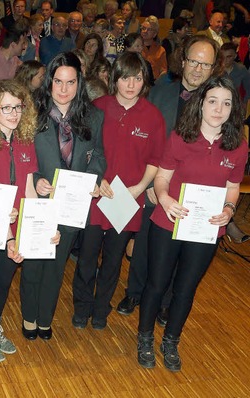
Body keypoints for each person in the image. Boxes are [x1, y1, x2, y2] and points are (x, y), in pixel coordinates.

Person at [136, 76, 246, 372]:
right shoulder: (181, 137)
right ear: (201, 103)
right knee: (157, 284)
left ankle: (171, 340)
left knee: (185, 289)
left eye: (226, 103)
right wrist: (164, 198)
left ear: (233, 108)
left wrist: (229, 208)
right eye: (212, 101)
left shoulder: (238, 146)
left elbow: (233, 186)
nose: (218, 109)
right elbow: (162, 178)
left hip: (207, 227)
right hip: (168, 222)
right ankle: (145, 337)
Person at [116, 35, 220, 322]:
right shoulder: (162, 89)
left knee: (182, 251)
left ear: (213, 69)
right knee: (145, 243)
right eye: (194, 61)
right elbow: (148, 141)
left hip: (194, 191)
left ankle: (167, 302)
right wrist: (151, 184)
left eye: (206, 64)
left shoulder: (217, 100)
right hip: (155, 183)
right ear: (183, 60)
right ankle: (135, 292)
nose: (198, 69)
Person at [71, 52, 166, 329]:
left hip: (128, 199)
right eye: (125, 77)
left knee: (113, 259)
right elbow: (84, 151)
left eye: (137, 78)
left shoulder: (152, 116)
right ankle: (82, 306)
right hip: (96, 196)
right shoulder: (98, 107)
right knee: (87, 257)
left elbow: (155, 159)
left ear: (144, 81)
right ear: (115, 78)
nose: (131, 84)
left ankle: (101, 309)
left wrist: (139, 187)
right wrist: (94, 179)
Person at [21, 52, 106, 341]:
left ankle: (45, 319)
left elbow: (99, 157)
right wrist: (36, 178)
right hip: (40, 201)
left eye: (71, 82)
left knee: (56, 267)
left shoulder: (93, 116)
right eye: (58, 81)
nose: (64, 89)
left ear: (79, 82)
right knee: (34, 264)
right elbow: (22, 156)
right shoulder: (32, 111)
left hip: (72, 204)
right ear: (49, 81)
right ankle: (29, 317)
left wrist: (94, 180)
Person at [0, 80, 48, 362]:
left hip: (16, 226)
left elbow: (29, 188)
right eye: (6, 107)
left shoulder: (26, 141)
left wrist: (38, 228)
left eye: (18, 107)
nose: (14, 113)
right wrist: (8, 237)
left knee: (5, 280)